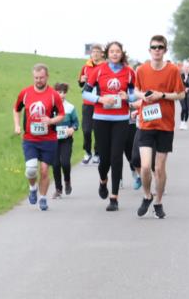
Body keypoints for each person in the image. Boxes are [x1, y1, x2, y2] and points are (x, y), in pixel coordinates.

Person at [132, 35, 185, 219]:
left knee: (160, 168)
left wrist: (160, 95)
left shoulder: (172, 70)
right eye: (153, 47)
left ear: (164, 50)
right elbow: (136, 90)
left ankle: (158, 201)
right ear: (149, 50)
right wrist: (143, 96)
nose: (157, 50)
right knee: (145, 166)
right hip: (146, 123)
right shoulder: (141, 69)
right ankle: (147, 195)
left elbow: (180, 95)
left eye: (160, 47)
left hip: (165, 124)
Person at [82, 41, 137, 211]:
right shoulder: (98, 71)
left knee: (116, 157)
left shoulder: (129, 72)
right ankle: (103, 180)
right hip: (101, 118)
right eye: (112, 51)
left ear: (122, 53)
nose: (114, 54)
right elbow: (85, 92)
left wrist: (127, 97)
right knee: (104, 159)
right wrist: (100, 99)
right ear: (107, 54)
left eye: (117, 51)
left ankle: (114, 198)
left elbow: (135, 94)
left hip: (121, 119)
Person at [13, 64, 65, 210]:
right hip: (30, 139)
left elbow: (62, 114)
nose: (39, 80)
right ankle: (32, 188)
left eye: (41, 77)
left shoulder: (54, 95)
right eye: (36, 78)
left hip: (49, 139)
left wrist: (50, 121)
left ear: (47, 77)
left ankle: (43, 198)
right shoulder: (25, 93)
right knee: (30, 169)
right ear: (33, 77)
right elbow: (16, 109)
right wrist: (17, 125)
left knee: (43, 170)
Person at [77, 44, 104, 165]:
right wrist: (81, 81)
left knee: (98, 131)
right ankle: (87, 152)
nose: (96, 53)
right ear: (91, 54)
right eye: (94, 51)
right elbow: (81, 84)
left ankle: (97, 153)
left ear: (102, 54)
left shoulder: (105, 67)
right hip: (87, 103)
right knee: (87, 130)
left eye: (98, 51)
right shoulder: (85, 67)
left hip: (100, 103)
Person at [52, 82, 79, 198]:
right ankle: (58, 189)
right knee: (55, 164)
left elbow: (76, 123)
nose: (62, 95)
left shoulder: (70, 107)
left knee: (65, 162)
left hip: (66, 139)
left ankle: (67, 181)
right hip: (53, 139)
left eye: (64, 92)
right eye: (59, 92)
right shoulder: (50, 106)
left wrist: (73, 129)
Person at [178, 58, 189, 129]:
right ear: (183, 68)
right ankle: (182, 122)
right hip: (181, 94)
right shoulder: (180, 76)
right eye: (185, 67)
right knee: (183, 108)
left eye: (188, 67)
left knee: (187, 109)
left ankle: (185, 122)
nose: (186, 69)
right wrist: (184, 88)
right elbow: (178, 85)